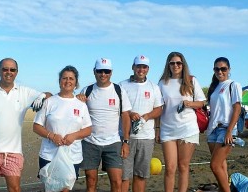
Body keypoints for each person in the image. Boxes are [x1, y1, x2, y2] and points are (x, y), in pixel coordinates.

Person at [0, 58, 50, 192]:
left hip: (13, 151)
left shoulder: (24, 92)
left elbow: (49, 95)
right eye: (5, 69)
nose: (8, 72)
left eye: (12, 70)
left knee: (15, 189)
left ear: (17, 72)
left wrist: (42, 96)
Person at [33, 65, 92, 192]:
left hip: (72, 156)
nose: (68, 81)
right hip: (49, 155)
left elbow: (88, 129)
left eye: (71, 78)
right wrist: (52, 136)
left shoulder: (81, 105)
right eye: (64, 78)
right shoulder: (49, 101)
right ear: (59, 81)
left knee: (66, 189)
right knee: (50, 188)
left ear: (76, 82)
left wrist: (74, 136)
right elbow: (36, 126)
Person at [79, 58, 132, 192]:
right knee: (91, 182)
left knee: (117, 182)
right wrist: (78, 99)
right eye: (100, 71)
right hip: (90, 142)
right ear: (94, 72)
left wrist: (125, 141)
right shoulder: (87, 90)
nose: (103, 74)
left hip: (113, 143)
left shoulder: (119, 90)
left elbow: (125, 116)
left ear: (111, 72)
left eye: (106, 71)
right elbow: (77, 114)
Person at [158, 51, 206, 192]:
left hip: (188, 128)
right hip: (167, 129)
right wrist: (157, 129)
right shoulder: (162, 83)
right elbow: (158, 107)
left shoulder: (191, 81)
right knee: (170, 168)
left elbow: (202, 102)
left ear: (183, 64)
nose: (175, 65)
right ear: (168, 65)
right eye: (172, 63)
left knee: (183, 166)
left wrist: (189, 104)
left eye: (178, 63)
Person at [119, 55, 163, 192]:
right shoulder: (122, 85)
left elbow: (159, 109)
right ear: (133, 67)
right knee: (124, 176)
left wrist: (148, 116)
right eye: (138, 66)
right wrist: (130, 114)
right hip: (126, 137)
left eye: (144, 67)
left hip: (146, 137)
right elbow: (118, 109)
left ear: (148, 69)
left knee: (140, 175)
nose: (141, 69)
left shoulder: (154, 87)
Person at [207, 57, 242, 192]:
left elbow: (237, 108)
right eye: (217, 69)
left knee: (214, 165)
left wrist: (229, 131)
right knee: (221, 166)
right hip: (213, 130)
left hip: (225, 129)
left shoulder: (233, 84)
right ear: (214, 70)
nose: (220, 71)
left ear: (229, 69)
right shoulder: (215, 88)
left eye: (223, 69)